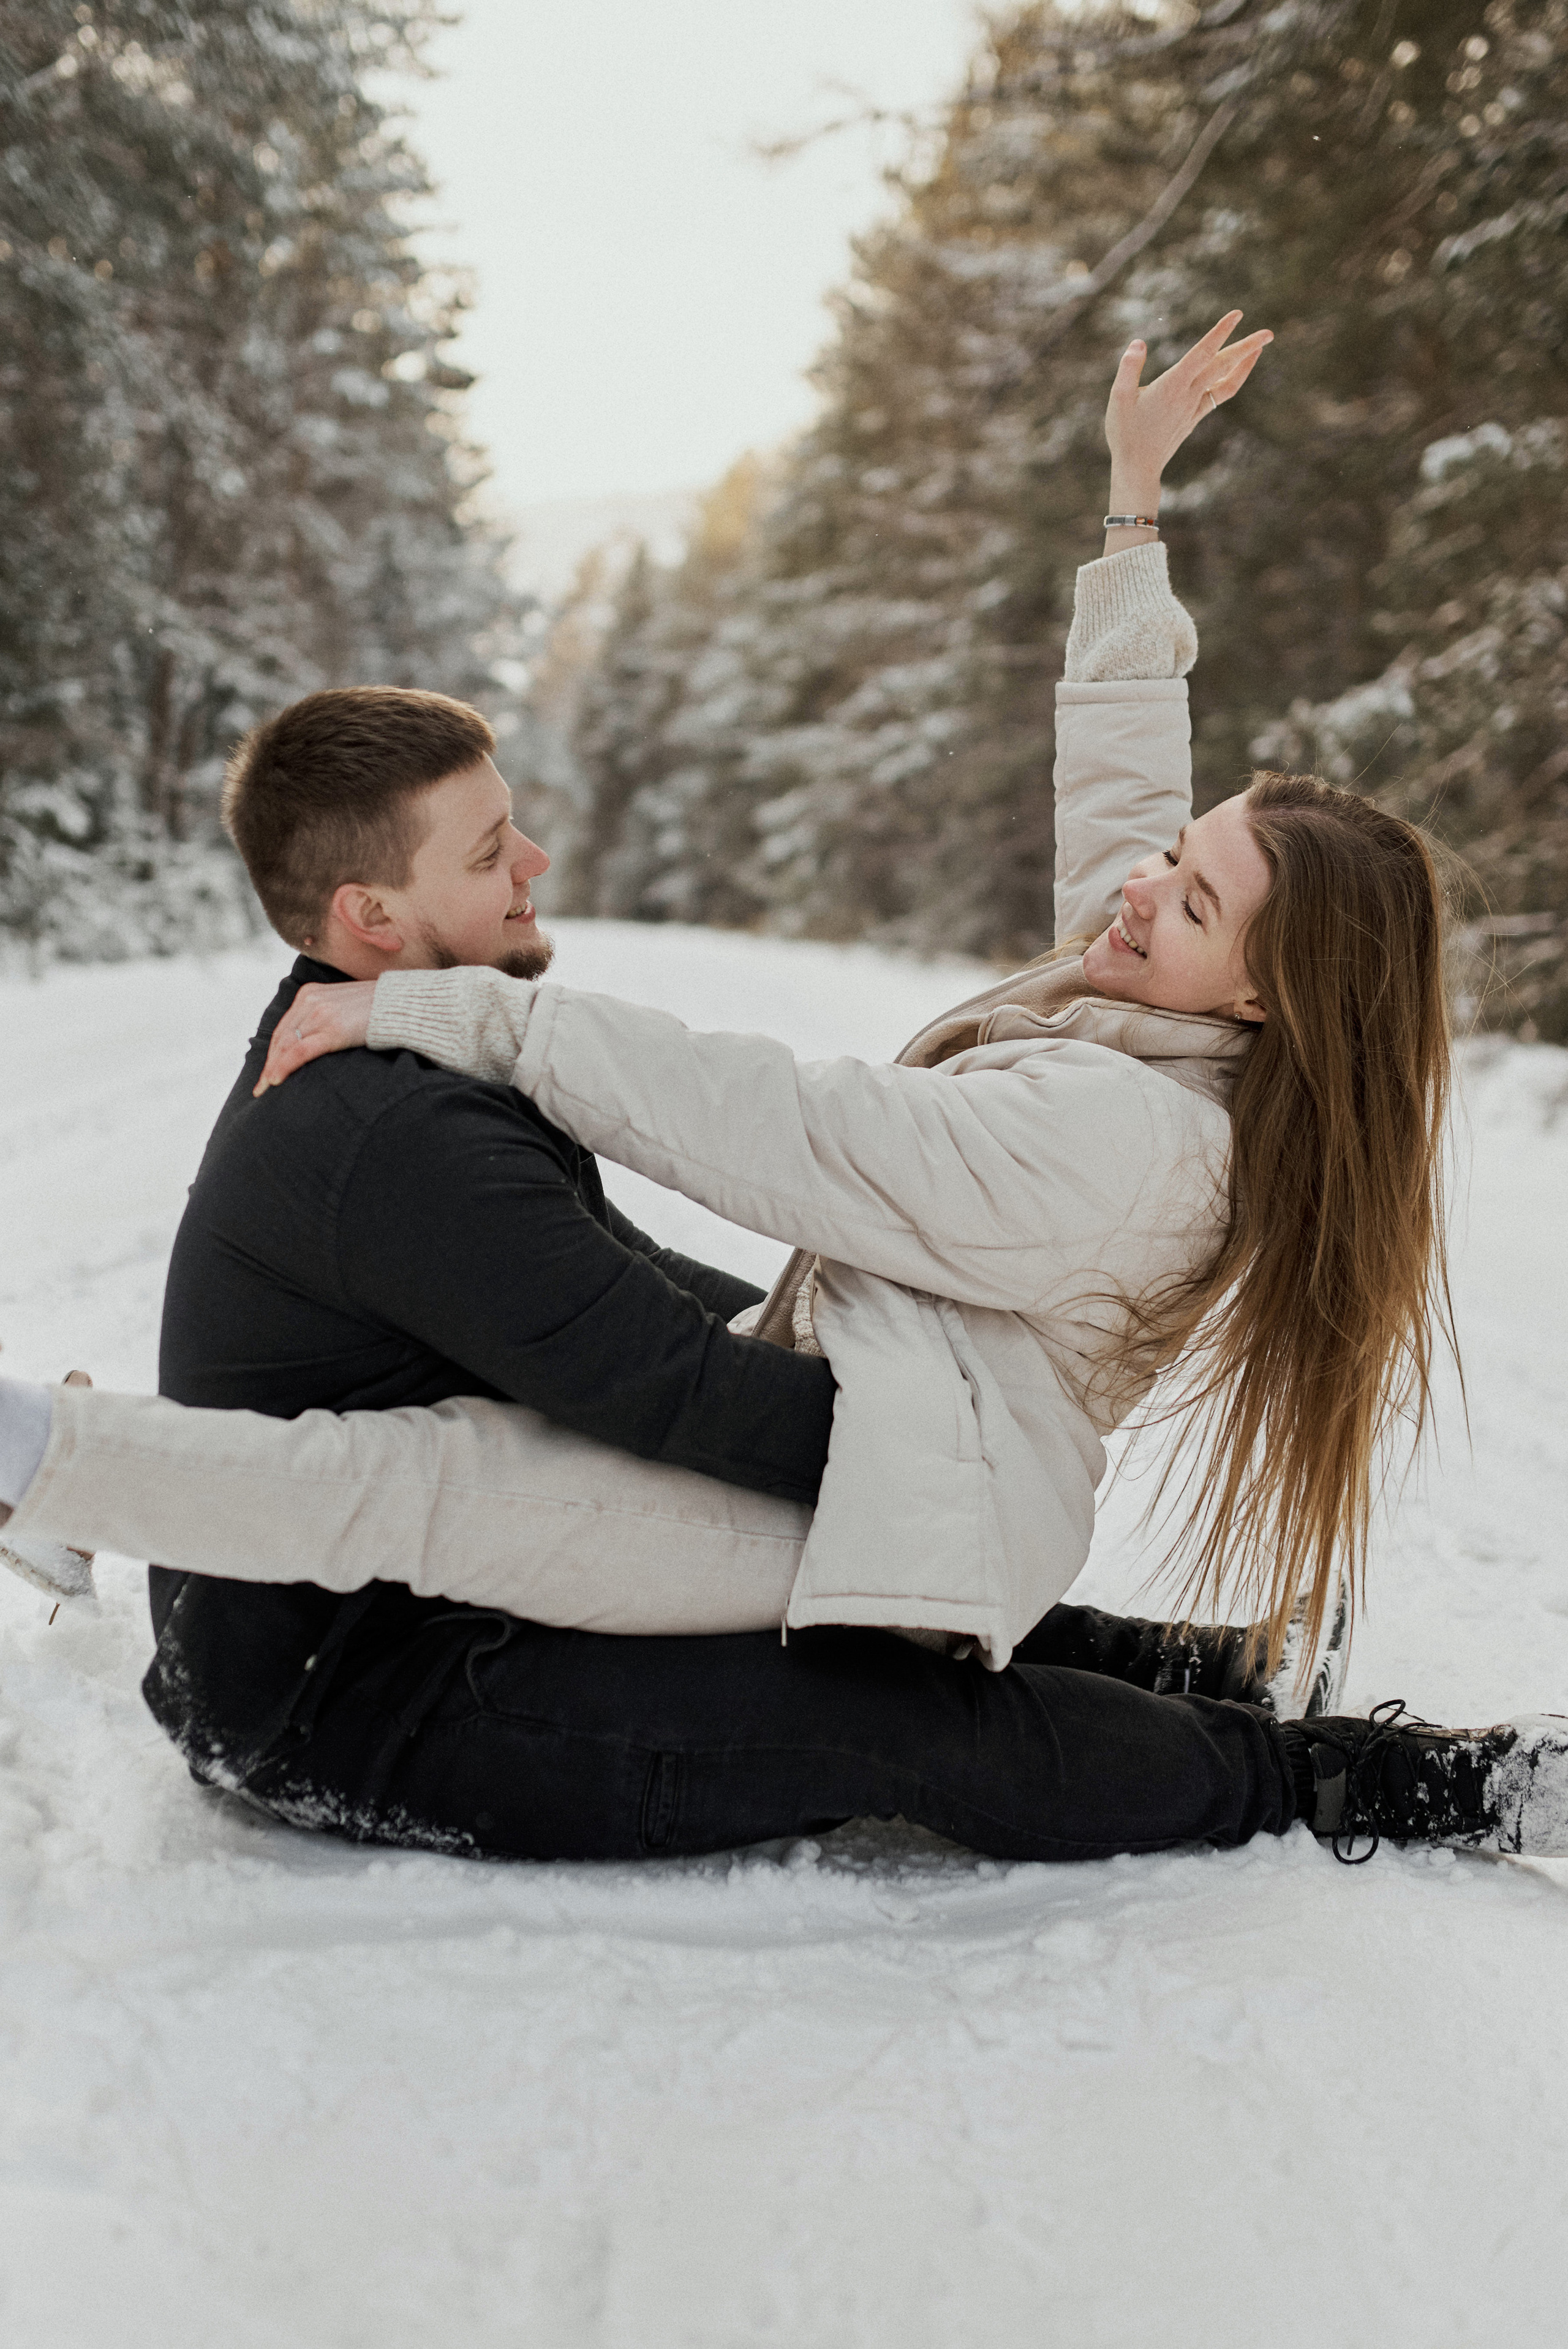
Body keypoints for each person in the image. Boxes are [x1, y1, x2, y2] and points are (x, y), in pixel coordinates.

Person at [3, 316, 1562, 1863]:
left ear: (1262, 990)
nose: (1142, 888)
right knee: (444, 1473)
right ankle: (1198, 1663)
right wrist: (1131, 504)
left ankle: (1366, 1782)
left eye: (1194, 897)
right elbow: (1123, 792)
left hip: (908, 1468)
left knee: (467, 1510)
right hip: (899, 1402)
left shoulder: (1128, 1138)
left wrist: (483, 1016)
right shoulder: (1162, 991)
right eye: (1179, 857)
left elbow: (797, 1130)